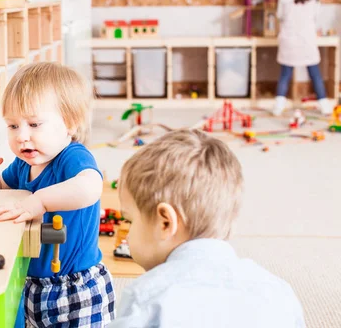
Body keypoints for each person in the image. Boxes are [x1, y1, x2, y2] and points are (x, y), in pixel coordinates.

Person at [0, 62, 115, 327]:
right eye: (12, 126)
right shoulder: (25, 163)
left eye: (34, 124)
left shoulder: (72, 157)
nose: (22, 136)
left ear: (70, 124)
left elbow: (91, 187)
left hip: (75, 288)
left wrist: (40, 201)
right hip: (32, 284)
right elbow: (3, 188)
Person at [109, 129, 305, 328]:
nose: (127, 232)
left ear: (165, 223)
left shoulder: (146, 298)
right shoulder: (279, 292)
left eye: (129, 220)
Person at [273, 0, 332, 116]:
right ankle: (325, 105)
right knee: (315, 73)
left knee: (285, 73)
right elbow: (315, 17)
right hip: (307, 41)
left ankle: (278, 105)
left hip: (289, 40)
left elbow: (280, 15)